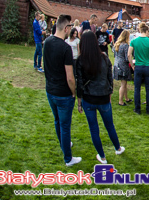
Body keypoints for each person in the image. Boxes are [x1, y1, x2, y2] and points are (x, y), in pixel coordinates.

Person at [76, 31, 125, 164]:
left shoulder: (84, 60)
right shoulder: (102, 58)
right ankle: (117, 148)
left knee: (94, 128)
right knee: (109, 125)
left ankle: (103, 156)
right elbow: (109, 77)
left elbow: (79, 83)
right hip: (101, 97)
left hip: (90, 99)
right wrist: (110, 92)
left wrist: (79, 101)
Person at [43, 14, 81, 166]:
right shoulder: (65, 48)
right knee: (64, 125)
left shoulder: (47, 42)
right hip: (62, 93)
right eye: (69, 28)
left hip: (50, 90)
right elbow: (70, 77)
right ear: (66, 28)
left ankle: (65, 145)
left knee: (58, 121)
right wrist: (73, 92)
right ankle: (68, 158)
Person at [128, 22, 149, 115]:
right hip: (148, 67)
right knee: (148, 88)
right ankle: (148, 109)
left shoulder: (133, 41)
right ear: (146, 31)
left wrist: (132, 65)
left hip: (138, 66)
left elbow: (129, 55)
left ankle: (137, 109)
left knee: (137, 88)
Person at [113, 30, 133, 106]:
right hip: (123, 66)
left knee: (124, 83)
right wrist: (132, 62)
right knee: (123, 84)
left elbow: (115, 55)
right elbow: (126, 57)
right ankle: (120, 101)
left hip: (116, 64)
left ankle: (126, 98)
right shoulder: (125, 45)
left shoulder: (117, 44)